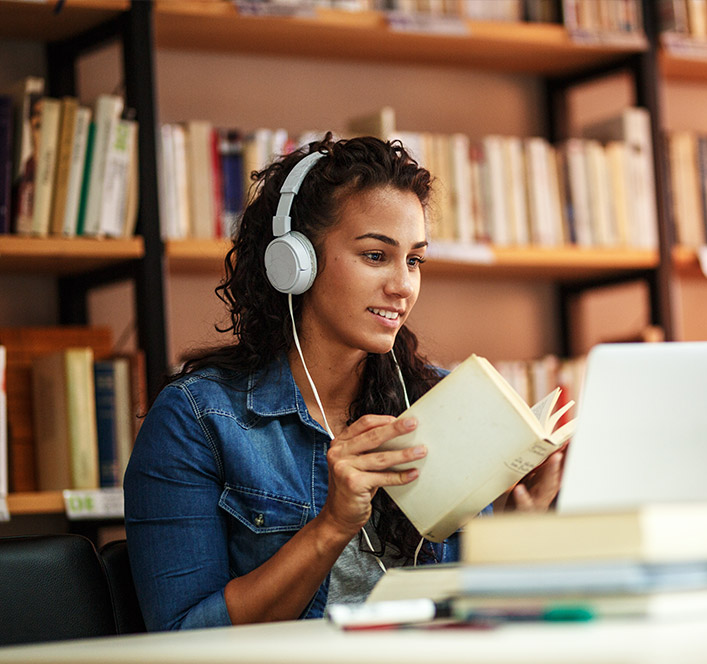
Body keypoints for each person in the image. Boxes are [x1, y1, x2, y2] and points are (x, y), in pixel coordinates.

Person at [124, 134, 563, 631]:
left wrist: (514, 529)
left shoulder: (440, 401)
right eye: (376, 255)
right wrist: (332, 524)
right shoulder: (198, 420)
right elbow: (182, 637)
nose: (402, 286)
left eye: (414, 260)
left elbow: (460, 617)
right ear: (294, 262)